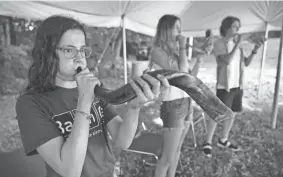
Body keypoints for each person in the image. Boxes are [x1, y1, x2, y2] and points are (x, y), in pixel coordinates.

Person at [15, 15, 170, 177]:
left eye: (82, 50)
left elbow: (122, 141)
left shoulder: (95, 88)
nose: (79, 57)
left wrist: (133, 107)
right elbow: (70, 171)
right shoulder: (30, 103)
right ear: (47, 54)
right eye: (69, 50)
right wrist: (84, 101)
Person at [148, 14, 212, 177]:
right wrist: (183, 47)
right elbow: (181, 72)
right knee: (167, 158)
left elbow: (190, 78)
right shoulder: (157, 51)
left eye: (180, 28)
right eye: (177, 27)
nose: (180, 31)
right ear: (166, 29)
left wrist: (200, 59)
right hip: (173, 105)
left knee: (177, 150)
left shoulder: (176, 52)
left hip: (186, 102)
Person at [202, 16, 265, 158]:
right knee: (217, 114)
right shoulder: (219, 43)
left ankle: (223, 140)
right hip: (225, 86)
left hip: (237, 86)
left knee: (232, 113)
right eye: (235, 26)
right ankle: (207, 142)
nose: (238, 29)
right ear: (226, 27)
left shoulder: (238, 45)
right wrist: (238, 44)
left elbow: (246, 63)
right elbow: (227, 61)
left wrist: (255, 50)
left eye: (238, 27)